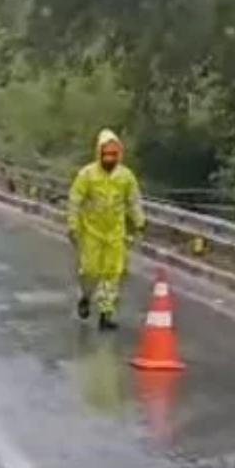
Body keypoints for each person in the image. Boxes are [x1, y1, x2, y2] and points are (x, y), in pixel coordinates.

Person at [67, 128, 146, 330]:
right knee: (90, 271)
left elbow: (133, 201)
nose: (109, 158)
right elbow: (75, 201)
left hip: (115, 233)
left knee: (113, 273)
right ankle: (85, 297)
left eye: (113, 154)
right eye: (106, 154)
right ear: (99, 153)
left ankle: (106, 312)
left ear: (119, 154)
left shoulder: (125, 176)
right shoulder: (87, 175)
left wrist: (140, 221)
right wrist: (73, 225)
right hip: (91, 232)